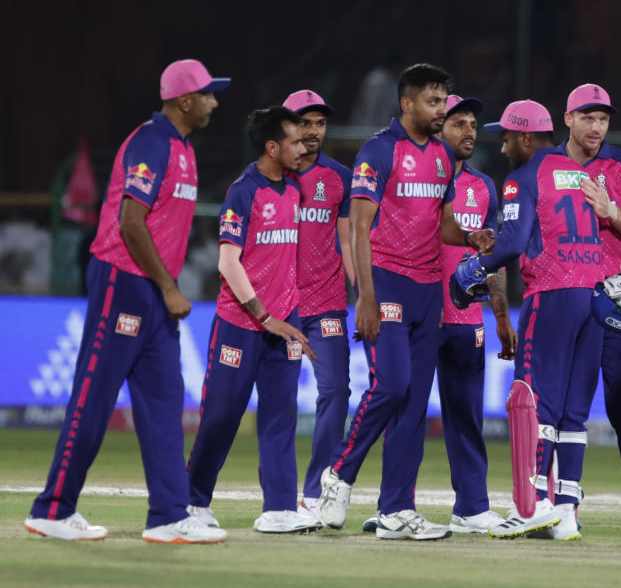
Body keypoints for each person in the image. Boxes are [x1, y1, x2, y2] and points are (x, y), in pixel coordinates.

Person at [24, 59, 230, 544]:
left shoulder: (182, 148)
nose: (214, 102)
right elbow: (130, 223)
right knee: (94, 395)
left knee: (164, 401)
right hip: (125, 281)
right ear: (184, 100)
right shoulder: (152, 143)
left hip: (154, 292)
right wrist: (168, 286)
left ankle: (168, 516)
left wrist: (165, 288)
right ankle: (52, 509)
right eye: (207, 94)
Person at [316, 63, 494, 541]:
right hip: (388, 284)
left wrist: (472, 235)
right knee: (392, 385)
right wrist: (366, 297)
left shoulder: (441, 157)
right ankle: (339, 474)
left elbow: (442, 224)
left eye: (444, 101)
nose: (442, 110)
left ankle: (396, 509)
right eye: (433, 102)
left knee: (415, 404)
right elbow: (357, 225)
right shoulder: (379, 150)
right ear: (407, 104)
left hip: (427, 289)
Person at [472, 99, 605, 540]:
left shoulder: (522, 178)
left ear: (526, 137)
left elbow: (510, 245)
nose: (504, 147)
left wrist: (468, 271)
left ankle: (531, 505)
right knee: (572, 413)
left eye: (507, 137)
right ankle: (565, 511)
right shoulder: (583, 174)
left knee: (533, 400)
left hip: (551, 294)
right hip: (595, 297)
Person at [185, 106, 319, 534]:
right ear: (272, 147)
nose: (304, 147)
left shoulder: (296, 189)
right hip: (241, 324)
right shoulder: (243, 191)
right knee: (222, 415)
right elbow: (228, 262)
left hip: (287, 323)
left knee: (281, 415)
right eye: (296, 141)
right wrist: (265, 316)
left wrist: (291, 310)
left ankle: (280, 508)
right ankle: (192, 503)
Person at [553, 83, 621, 534]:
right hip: (567, 303)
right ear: (568, 119)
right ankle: (560, 505)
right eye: (588, 117)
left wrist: (609, 210)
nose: (597, 127)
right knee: (561, 410)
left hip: (618, 305)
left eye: (604, 119)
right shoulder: (546, 166)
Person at [436, 94, 513, 533]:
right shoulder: (417, 181)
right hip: (421, 313)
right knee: (403, 412)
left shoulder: (484, 186)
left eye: (472, 124)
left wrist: (500, 315)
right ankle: (394, 506)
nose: (469, 131)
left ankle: (471, 507)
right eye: (458, 123)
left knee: (466, 417)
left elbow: (493, 255)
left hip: (466, 320)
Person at [280, 90, 355, 525]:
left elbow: (346, 240)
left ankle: (315, 492)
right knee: (278, 400)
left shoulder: (339, 177)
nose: (313, 132)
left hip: (326, 304)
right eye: (305, 122)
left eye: (320, 124)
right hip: (281, 309)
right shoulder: (272, 174)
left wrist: (362, 293)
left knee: (336, 393)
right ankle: (274, 492)